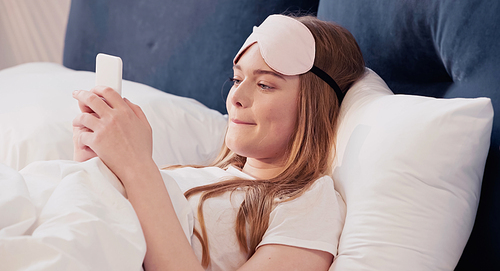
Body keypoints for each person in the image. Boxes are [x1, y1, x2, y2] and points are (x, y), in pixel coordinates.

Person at [72, 14, 365, 271]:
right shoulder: (203, 176)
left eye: (264, 84)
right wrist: (95, 165)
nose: (235, 97)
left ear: (314, 106)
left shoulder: (310, 202)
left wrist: (136, 165)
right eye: (237, 79)